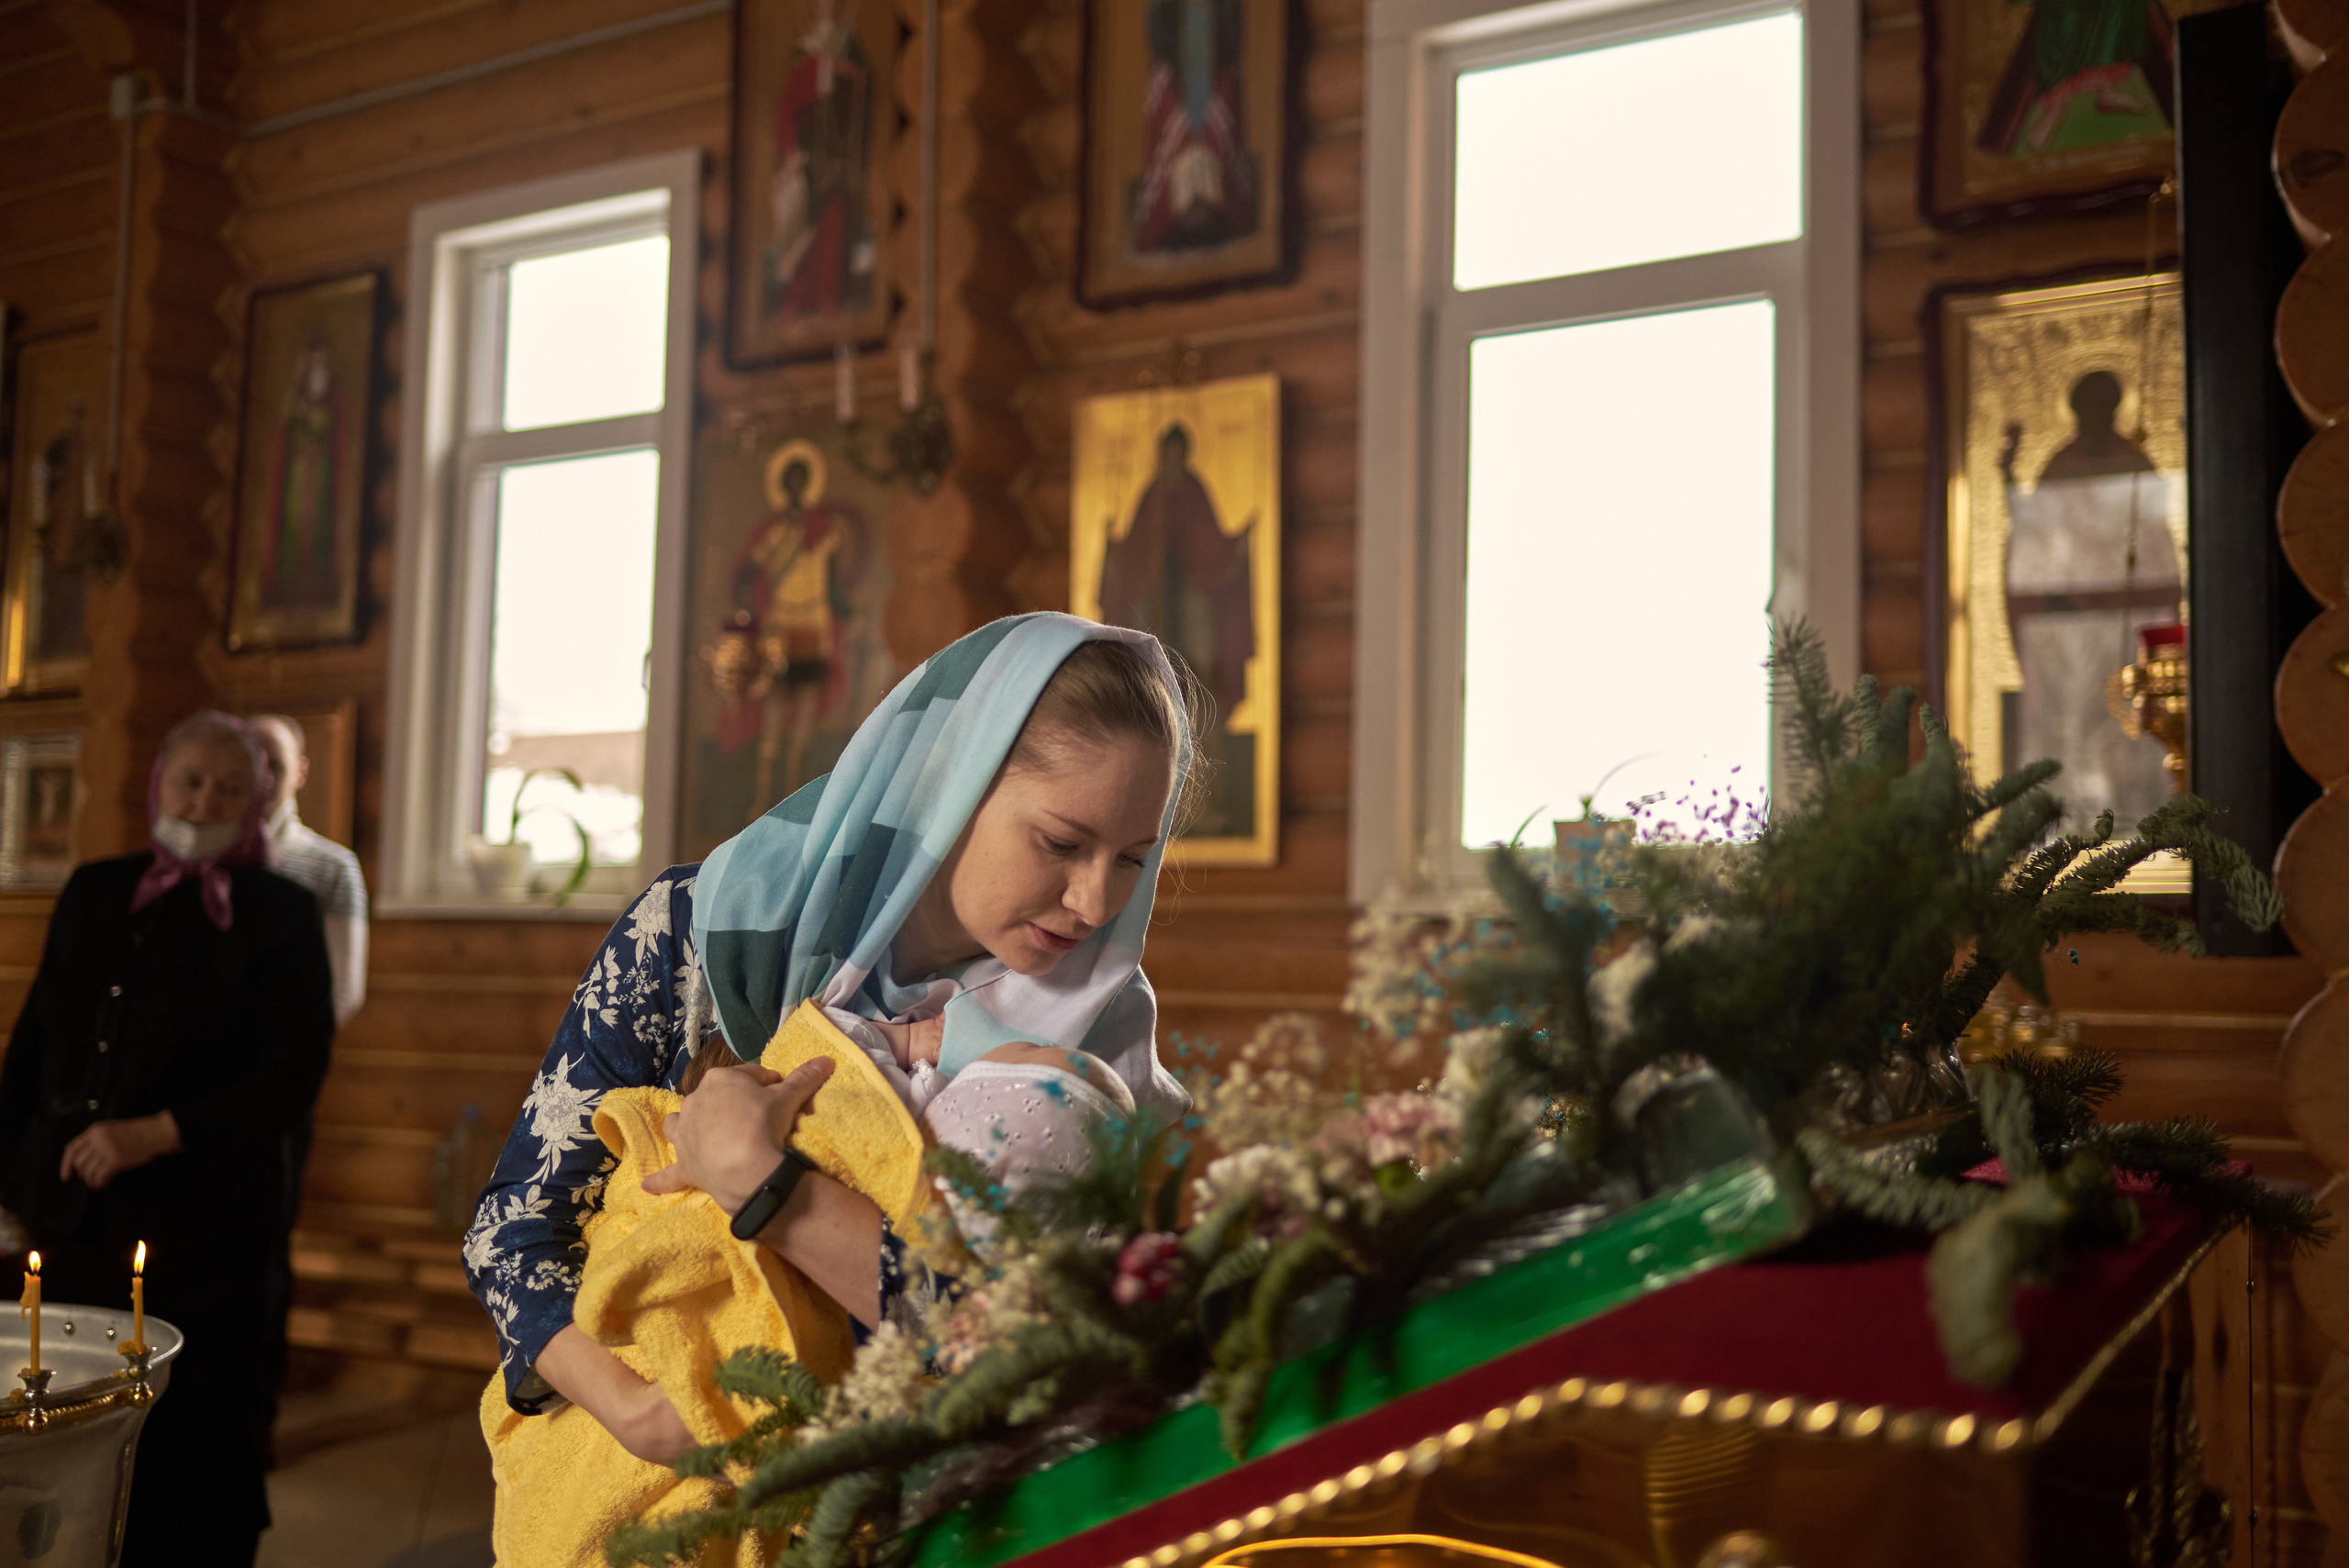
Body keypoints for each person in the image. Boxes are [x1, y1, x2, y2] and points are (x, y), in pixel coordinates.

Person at [463, 614, 1195, 1475]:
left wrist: (769, 1188)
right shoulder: (705, 931)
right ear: (947, 785)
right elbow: (514, 1226)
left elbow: (1043, 1347)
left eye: (1131, 860)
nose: (1095, 902)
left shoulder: (1101, 1026)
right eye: (1063, 844)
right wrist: (639, 1413)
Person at [0, 711, 335, 1567]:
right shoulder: (93, 888)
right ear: (160, 782)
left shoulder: (284, 912)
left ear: (259, 802)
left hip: (208, 1231)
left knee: (193, 1448)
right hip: (71, 1221)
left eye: (230, 786)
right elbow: (35, 1046)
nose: (205, 798)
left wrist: (156, 1133)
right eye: (191, 779)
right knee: (69, 1431)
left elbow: (290, 1076)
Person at [249, 714, 367, 1029]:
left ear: (300, 771)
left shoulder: (333, 867)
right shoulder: (203, 861)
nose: (263, 777)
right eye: (251, 762)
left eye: (276, 765)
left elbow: (345, 989)